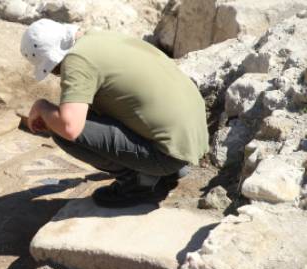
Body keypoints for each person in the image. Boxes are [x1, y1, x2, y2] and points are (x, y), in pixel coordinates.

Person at [20, 19, 208, 207]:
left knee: (61, 130)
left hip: (168, 155)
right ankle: (167, 171)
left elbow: (70, 127)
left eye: (52, 70)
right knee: (86, 111)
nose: (56, 74)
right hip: (192, 140)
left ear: (54, 59)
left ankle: (139, 183)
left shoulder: (77, 60)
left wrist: (43, 108)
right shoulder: (100, 38)